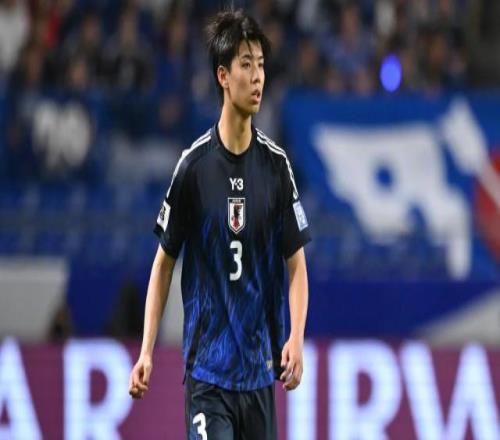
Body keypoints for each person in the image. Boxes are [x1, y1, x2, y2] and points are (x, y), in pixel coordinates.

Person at [129, 9, 311, 440]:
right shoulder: (193, 168)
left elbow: (297, 267)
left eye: (261, 64)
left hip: (259, 373)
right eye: (246, 64)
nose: (258, 76)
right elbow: (163, 264)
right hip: (208, 377)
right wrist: (146, 350)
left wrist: (296, 337)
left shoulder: (276, 167)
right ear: (223, 76)